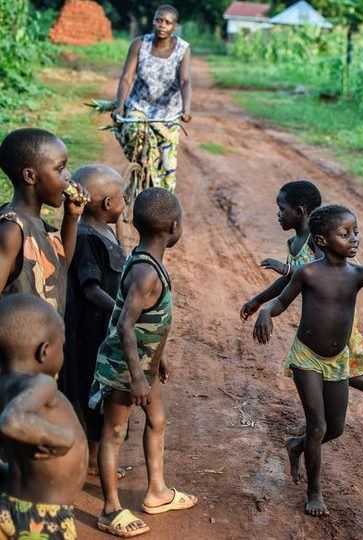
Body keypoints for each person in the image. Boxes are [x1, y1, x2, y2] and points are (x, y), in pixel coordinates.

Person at [252, 205, 363, 517]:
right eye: (345, 234)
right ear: (323, 239)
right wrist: (265, 311)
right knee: (317, 425)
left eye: (355, 231)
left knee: (335, 429)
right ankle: (314, 491)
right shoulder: (308, 273)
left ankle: (296, 445)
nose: (354, 238)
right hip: (307, 357)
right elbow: (281, 301)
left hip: (338, 359)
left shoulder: (361, 274)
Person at [240, 181, 363, 432]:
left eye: (281, 209)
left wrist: (287, 269)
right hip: (321, 311)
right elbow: (290, 279)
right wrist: (259, 300)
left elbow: (325, 268)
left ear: (299, 211)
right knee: (332, 365)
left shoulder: (316, 239)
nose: (278, 214)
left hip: (337, 310)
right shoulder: (294, 242)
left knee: (334, 363)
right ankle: (320, 421)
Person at [89, 188, 195, 537]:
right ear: (173, 226)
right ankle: (109, 509)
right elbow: (124, 325)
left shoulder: (149, 261)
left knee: (158, 418)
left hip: (143, 364)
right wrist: (136, 377)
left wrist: (157, 358)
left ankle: (157, 492)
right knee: (115, 431)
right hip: (125, 367)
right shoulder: (146, 272)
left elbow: (150, 321)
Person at [59, 165, 127, 478]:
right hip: (89, 330)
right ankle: (90, 458)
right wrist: (121, 311)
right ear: (107, 205)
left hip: (105, 327)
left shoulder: (105, 228)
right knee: (89, 386)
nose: (126, 203)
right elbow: (91, 287)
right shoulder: (87, 237)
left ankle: (97, 455)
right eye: (122, 198)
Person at [0, 294, 86, 540]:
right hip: (44, 519)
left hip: (10, 503)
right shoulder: (42, 383)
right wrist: (62, 438)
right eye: (63, 345)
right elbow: (12, 420)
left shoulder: (4, 386)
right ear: (45, 351)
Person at [0, 128, 89, 316]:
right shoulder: (12, 229)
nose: (68, 175)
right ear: (30, 176)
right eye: (60, 168)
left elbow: (60, 264)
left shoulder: (36, 222)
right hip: (19, 342)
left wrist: (71, 217)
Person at [111, 4, 192, 193]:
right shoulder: (140, 44)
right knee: (131, 129)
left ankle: (164, 206)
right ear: (153, 21)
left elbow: (185, 80)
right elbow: (127, 77)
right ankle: (141, 169)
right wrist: (120, 105)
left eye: (168, 22)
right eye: (158, 20)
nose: (162, 25)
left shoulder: (183, 49)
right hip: (139, 105)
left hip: (168, 112)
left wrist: (186, 109)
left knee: (168, 171)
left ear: (175, 26)